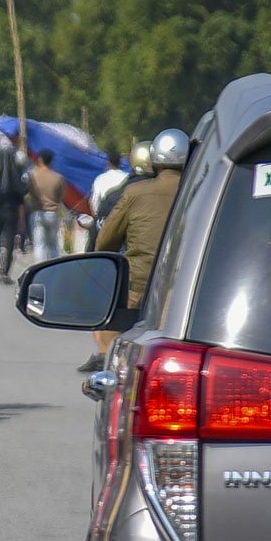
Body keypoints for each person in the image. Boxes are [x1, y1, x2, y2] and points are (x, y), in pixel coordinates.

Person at [78, 140, 154, 372]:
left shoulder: (120, 195)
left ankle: (105, 357)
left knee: (106, 312)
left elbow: (103, 237)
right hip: (175, 280)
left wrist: (92, 260)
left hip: (130, 277)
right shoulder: (186, 190)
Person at [96, 129, 186, 317]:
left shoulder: (134, 193)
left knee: (109, 341)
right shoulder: (202, 191)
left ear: (154, 162)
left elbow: (105, 243)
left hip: (139, 289)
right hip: (186, 292)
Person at [0, 139, 27, 284]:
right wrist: (22, 219)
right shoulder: (17, 173)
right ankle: (5, 270)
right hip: (11, 212)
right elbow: (21, 197)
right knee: (8, 240)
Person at [27, 148, 66, 260]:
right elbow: (61, 197)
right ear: (52, 161)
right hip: (53, 213)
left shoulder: (33, 176)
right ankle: (53, 267)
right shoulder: (58, 177)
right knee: (53, 244)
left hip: (37, 213)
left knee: (40, 245)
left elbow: (29, 193)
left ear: (40, 160)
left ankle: (40, 268)